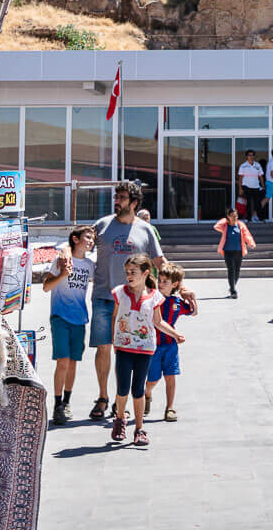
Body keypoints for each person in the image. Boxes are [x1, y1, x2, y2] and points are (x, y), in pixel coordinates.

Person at [87, 181, 164, 422]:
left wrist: (181, 285)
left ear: (133, 202)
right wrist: (66, 253)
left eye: (121, 197)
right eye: (115, 197)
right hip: (103, 296)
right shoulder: (102, 225)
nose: (116, 201)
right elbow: (79, 242)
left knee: (128, 352)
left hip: (134, 303)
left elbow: (160, 262)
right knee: (103, 347)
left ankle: (124, 403)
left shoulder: (145, 230)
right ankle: (102, 397)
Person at [109, 254, 186, 447]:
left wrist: (175, 334)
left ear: (145, 273)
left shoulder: (155, 297)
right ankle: (119, 419)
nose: (129, 275)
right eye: (127, 272)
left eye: (133, 272)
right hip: (124, 347)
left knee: (138, 390)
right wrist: (114, 339)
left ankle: (139, 429)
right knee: (122, 388)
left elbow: (158, 322)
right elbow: (115, 316)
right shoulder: (120, 292)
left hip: (145, 349)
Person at [42, 225, 96, 425]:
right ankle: (57, 405)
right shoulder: (61, 260)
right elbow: (46, 287)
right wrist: (63, 274)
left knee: (73, 362)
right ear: (75, 239)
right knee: (62, 361)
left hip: (80, 318)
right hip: (60, 316)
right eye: (87, 237)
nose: (90, 241)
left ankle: (66, 402)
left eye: (92, 238)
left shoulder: (90, 265)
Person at [144, 262, 196, 422]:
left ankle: (170, 408)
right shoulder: (153, 298)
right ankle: (147, 393)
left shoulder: (177, 302)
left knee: (170, 376)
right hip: (153, 345)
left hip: (170, 346)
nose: (160, 284)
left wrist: (191, 298)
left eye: (165, 281)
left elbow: (193, 312)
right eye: (159, 280)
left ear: (175, 284)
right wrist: (176, 334)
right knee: (153, 379)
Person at [213, 208, 256, 299]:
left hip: (238, 251)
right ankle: (233, 290)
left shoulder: (240, 225)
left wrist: (251, 243)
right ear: (228, 216)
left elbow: (246, 234)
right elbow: (216, 226)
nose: (235, 217)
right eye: (232, 216)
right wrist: (226, 220)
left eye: (236, 215)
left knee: (237, 271)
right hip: (228, 251)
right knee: (231, 270)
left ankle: (232, 286)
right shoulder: (225, 226)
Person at [239, 149, 265, 221]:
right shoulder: (243, 166)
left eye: (252, 155)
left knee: (258, 203)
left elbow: (261, 176)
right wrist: (240, 189)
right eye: (249, 155)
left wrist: (263, 186)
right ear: (246, 156)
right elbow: (240, 178)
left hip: (256, 187)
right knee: (248, 203)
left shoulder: (258, 165)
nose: (251, 156)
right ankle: (249, 218)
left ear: (254, 156)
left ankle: (260, 218)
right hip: (246, 186)